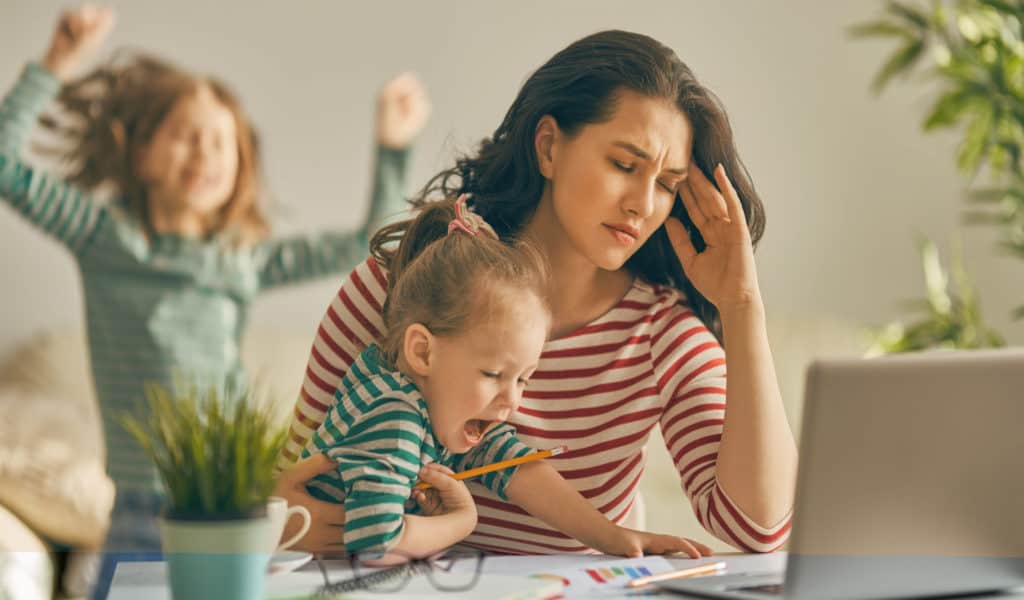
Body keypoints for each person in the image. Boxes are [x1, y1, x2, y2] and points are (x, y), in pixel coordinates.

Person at [275, 28, 797, 555]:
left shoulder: (662, 335)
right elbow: (283, 486)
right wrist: (289, 520)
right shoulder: (403, 284)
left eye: (666, 184)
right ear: (549, 147)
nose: (643, 204)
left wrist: (741, 306)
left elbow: (760, 529)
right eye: (624, 165)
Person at [0, 4, 429, 554]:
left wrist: (394, 146)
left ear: (239, 169)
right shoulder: (101, 237)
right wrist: (56, 62)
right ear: (143, 152)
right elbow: (9, 168)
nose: (204, 152)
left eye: (220, 142)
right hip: (141, 507)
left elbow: (371, 239)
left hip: (235, 499)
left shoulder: (239, 261)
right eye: (185, 134)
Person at [303, 195, 709, 558]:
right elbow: (376, 543)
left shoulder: (433, 401)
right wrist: (460, 522)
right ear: (422, 351)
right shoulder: (395, 418)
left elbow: (517, 465)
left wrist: (616, 538)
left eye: (523, 379)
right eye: (494, 373)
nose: (512, 401)